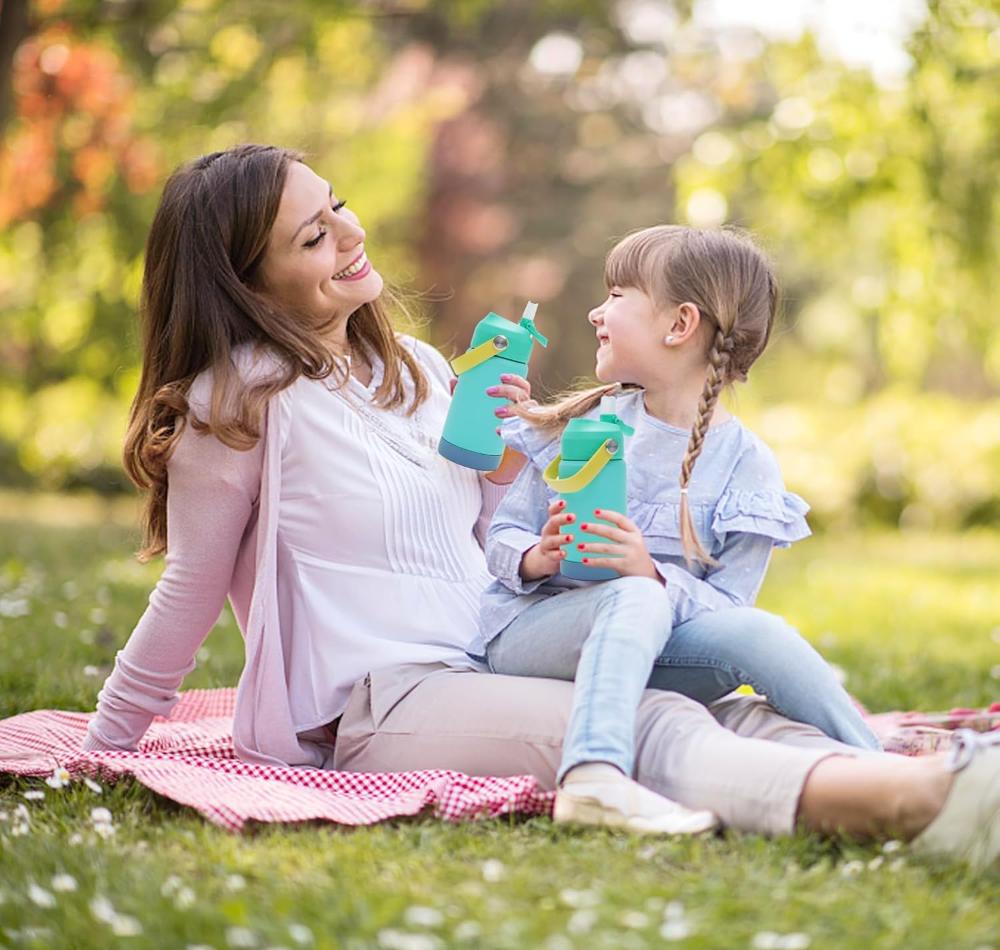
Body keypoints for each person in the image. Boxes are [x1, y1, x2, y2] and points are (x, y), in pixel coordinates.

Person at [81, 144, 999, 867]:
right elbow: (192, 585)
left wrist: (531, 523)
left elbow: (482, 540)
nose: (349, 236)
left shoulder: (423, 372)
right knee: (646, 725)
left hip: (487, 649)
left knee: (719, 697)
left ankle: (927, 778)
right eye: (312, 238)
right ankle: (905, 808)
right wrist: (101, 744)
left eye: (338, 206)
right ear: (246, 283)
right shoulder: (233, 406)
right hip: (377, 701)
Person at [473, 226, 879, 833]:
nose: (595, 311)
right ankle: (594, 775)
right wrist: (539, 556)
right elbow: (502, 536)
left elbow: (727, 611)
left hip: (655, 650)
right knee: (634, 597)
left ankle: (879, 764)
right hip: (533, 638)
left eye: (616, 294)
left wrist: (652, 574)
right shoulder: (581, 426)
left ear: (679, 324)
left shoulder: (745, 464)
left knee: (760, 633)